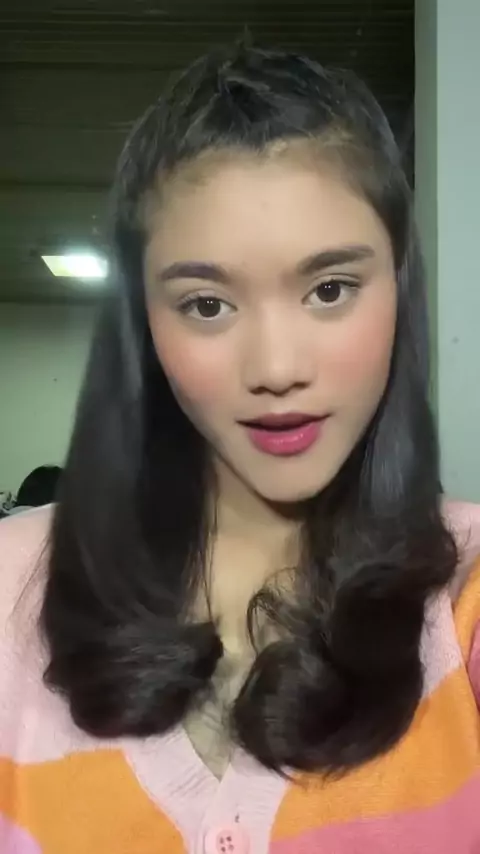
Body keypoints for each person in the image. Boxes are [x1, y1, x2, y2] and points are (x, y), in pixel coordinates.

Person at [1, 42, 480, 854]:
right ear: (143, 323)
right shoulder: (9, 588)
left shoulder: (465, 596)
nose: (276, 368)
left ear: (401, 288)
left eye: (330, 289)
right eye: (207, 305)